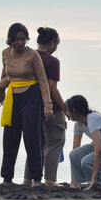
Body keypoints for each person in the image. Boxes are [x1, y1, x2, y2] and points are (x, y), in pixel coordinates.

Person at [0, 22, 53, 186]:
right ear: (10, 39)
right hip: (13, 97)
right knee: (9, 138)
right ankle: (7, 178)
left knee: (32, 139)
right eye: (17, 39)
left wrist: (48, 105)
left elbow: (43, 80)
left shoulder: (33, 55)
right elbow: (6, 76)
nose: (20, 42)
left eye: (23, 39)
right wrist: (0, 91)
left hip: (32, 96)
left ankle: (37, 179)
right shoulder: (5, 53)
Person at [22, 27, 67, 187]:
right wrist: (64, 108)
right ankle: (50, 180)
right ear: (53, 42)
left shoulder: (28, 56)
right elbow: (52, 88)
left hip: (30, 106)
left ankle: (28, 179)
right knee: (54, 142)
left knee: (36, 144)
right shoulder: (52, 61)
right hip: (50, 108)